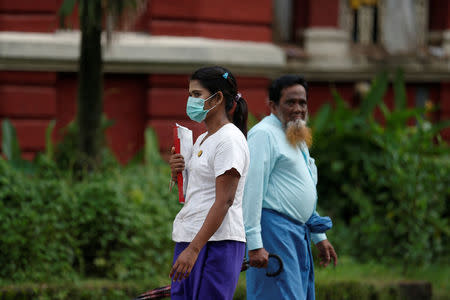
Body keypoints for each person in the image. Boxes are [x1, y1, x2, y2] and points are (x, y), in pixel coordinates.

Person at [243, 74, 338, 300]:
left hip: (297, 234)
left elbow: (299, 191)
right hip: (274, 233)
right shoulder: (263, 134)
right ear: (273, 105)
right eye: (290, 102)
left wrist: (318, 235)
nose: (298, 108)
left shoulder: (296, 134)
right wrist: (255, 244)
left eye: (302, 102)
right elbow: (251, 191)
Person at [168, 66, 250, 300]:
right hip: (191, 237)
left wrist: (194, 250)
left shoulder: (230, 140)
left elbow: (224, 201)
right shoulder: (204, 138)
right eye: (190, 94)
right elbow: (198, 194)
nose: (190, 100)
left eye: (196, 94)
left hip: (216, 243)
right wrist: (178, 174)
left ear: (218, 98)